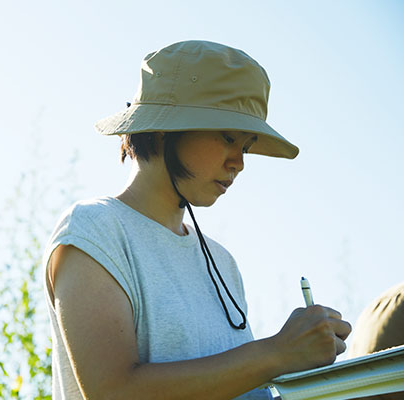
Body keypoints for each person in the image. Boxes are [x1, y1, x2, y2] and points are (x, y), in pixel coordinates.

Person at [43, 40, 351, 400]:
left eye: (246, 145)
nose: (239, 161)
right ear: (164, 128)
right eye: (227, 137)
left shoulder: (222, 263)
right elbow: (113, 391)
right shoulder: (95, 229)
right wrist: (278, 353)